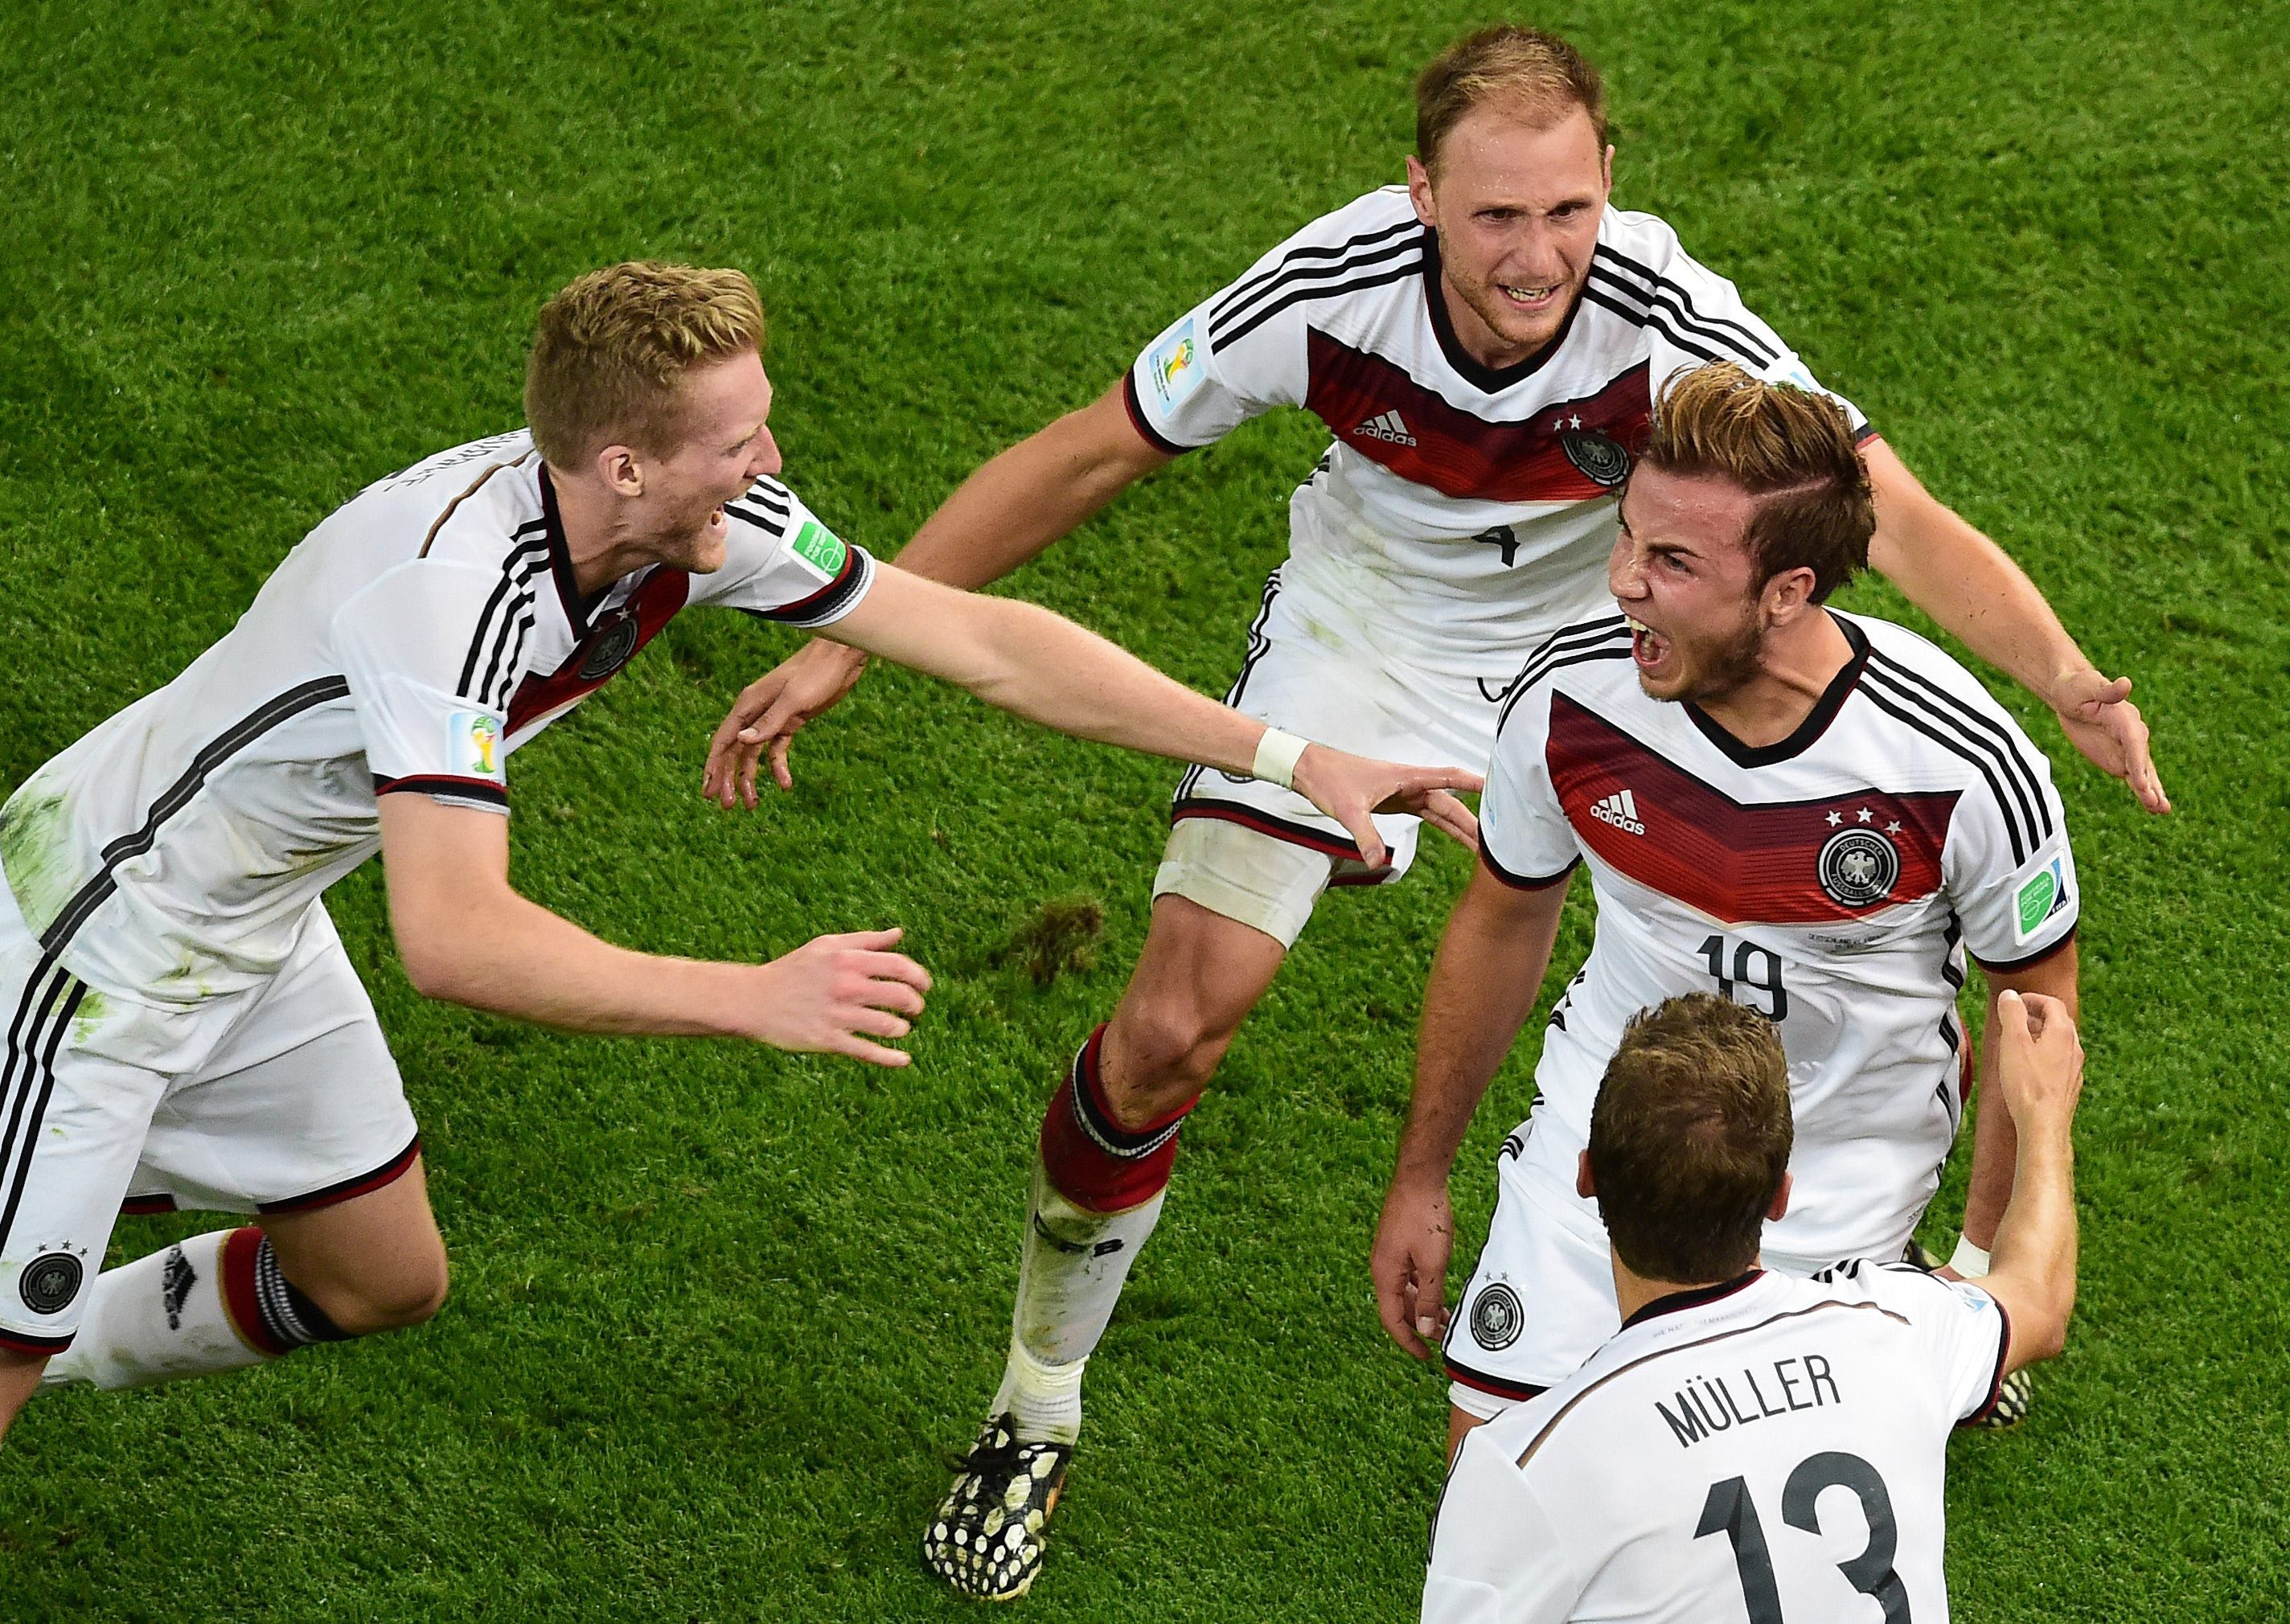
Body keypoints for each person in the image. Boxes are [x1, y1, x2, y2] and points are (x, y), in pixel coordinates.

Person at [704, 26, 2157, 1599]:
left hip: (1612, 640)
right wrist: (860, 626)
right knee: (1171, 1024)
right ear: (1417, 196)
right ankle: (1033, 1400)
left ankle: (1802, 1306)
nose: (1535, 256)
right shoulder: (1326, 289)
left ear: (1608, 182)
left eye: (1566, 211)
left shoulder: (1669, 315)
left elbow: (1885, 510)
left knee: (1733, 947)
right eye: (1490, 217)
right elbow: (1090, 450)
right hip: (1367, 637)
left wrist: (2065, 674)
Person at [0, 261, 1476, 1435]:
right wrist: (749, 996)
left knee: (376, 1276)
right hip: (88, 955)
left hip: (246, 929)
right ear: (625, 463)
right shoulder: (443, 601)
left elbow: (979, 644)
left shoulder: (685, 524)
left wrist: (1289, 756)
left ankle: (46, 1327)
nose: (769, 460)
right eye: (738, 440)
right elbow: (455, 941)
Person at [1373, 363, 2080, 1459]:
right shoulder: (1569, 700)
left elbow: (2035, 1025)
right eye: (1625, 538)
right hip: (1603, 1150)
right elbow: (1503, 919)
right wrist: (1421, 1176)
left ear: (1788, 590)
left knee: (1740, 1534)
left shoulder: (1957, 763)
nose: (1622, 583)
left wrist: (1980, 1271)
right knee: (1496, 1487)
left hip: (1838, 1180)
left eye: (1672, 562)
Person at [1421, 986, 2082, 1622]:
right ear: (1780, 1198)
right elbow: (2039, 1297)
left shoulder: (1521, 1467)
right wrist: (2044, 1115)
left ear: (1587, 1177)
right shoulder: (1899, 1328)